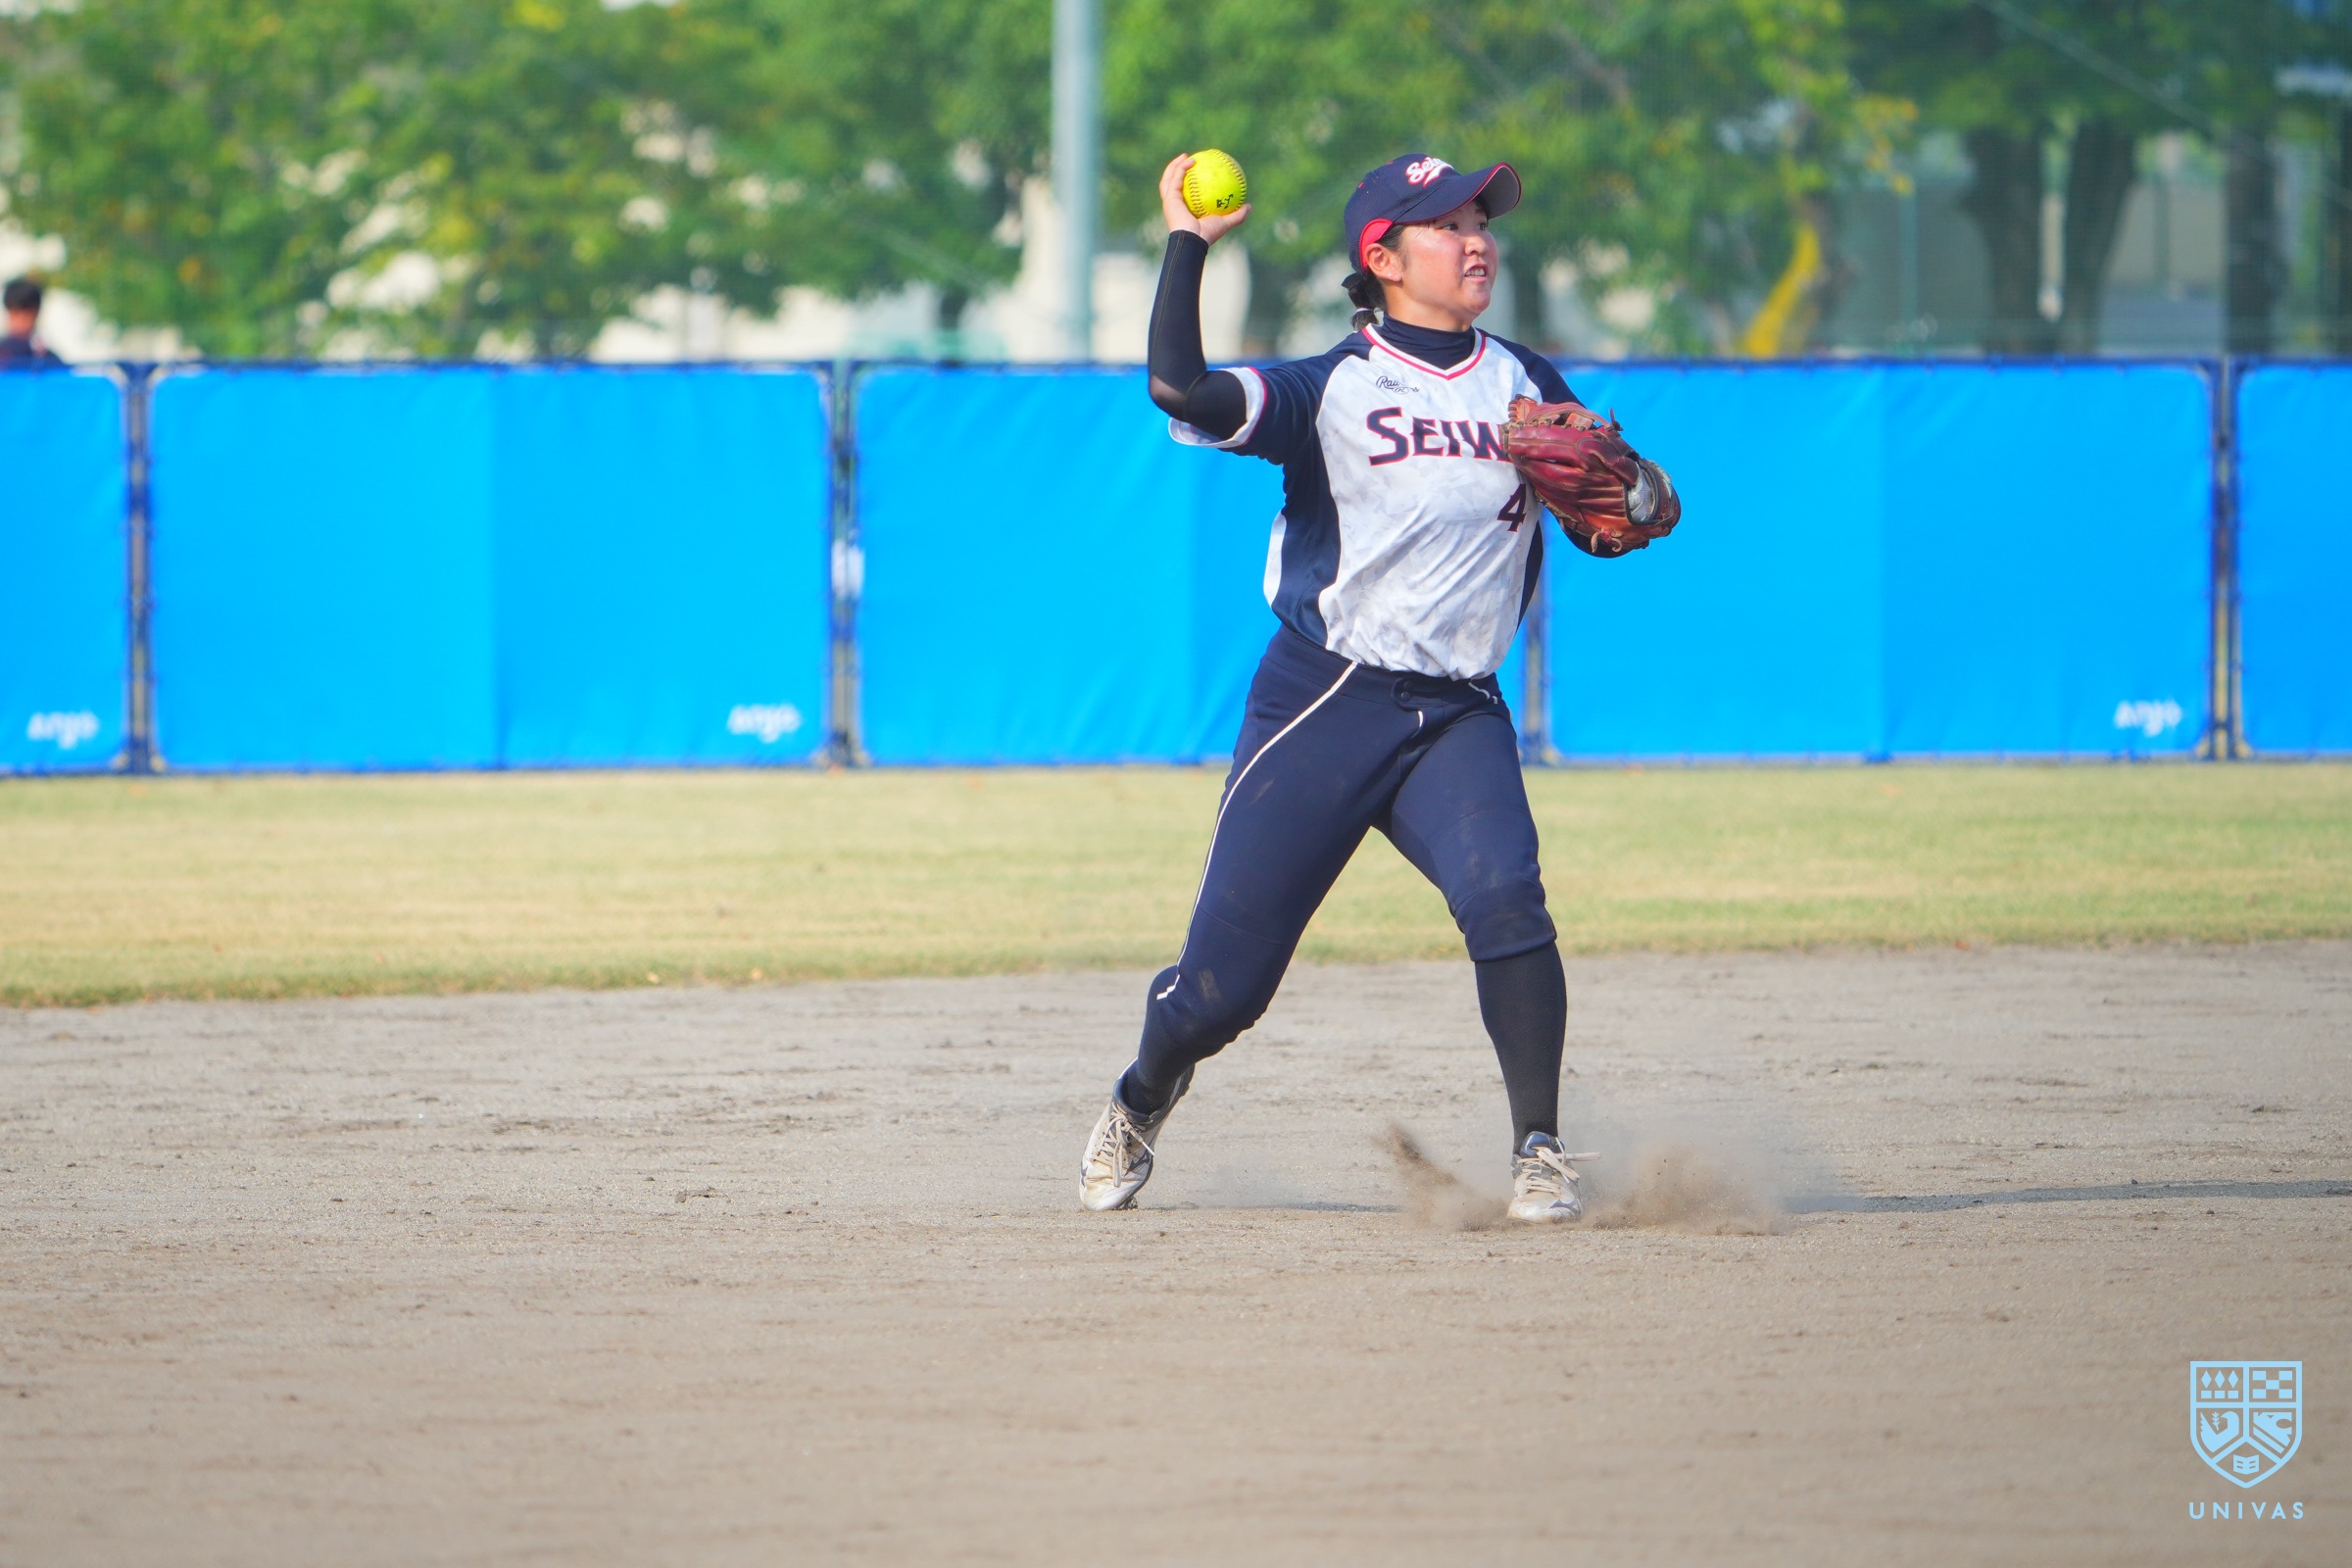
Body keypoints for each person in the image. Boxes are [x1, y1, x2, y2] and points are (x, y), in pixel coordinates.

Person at [1078, 150, 1677, 1220]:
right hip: (1325, 700)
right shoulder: (1329, 387)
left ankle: (1539, 1147)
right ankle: (1141, 1094)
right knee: (1221, 992)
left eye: (1481, 220)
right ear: (1384, 259)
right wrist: (1187, 246)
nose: (1477, 239)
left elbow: (1620, 513)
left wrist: (1637, 493)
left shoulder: (1526, 381)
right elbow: (1180, 388)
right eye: (1448, 225)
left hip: (1457, 712)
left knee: (1506, 897)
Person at [0, 277, 66, 368]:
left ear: (37, 313)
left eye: (27, 315)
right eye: (15, 314)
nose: (21, 321)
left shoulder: (47, 358)